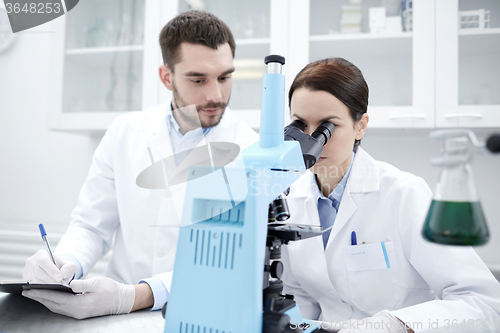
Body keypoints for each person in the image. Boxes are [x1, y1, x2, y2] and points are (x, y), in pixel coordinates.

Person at [21, 11, 258, 319]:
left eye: (225, 77)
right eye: (198, 79)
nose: (216, 94)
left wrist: (135, 295)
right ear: (166, 76)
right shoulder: (125, 132)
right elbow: (92, 226)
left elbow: (231, 261)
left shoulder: (250, 150)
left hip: (195, 312)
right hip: (112, 313)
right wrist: (66, 262)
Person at [281, 58, 500, 333]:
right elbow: (298, 297)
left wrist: (391, 326)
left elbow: (484, 303)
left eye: (328, 126)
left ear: (360, 126)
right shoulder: (289, 199)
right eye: (300, 125)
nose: (312, 140)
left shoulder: (404, 194)